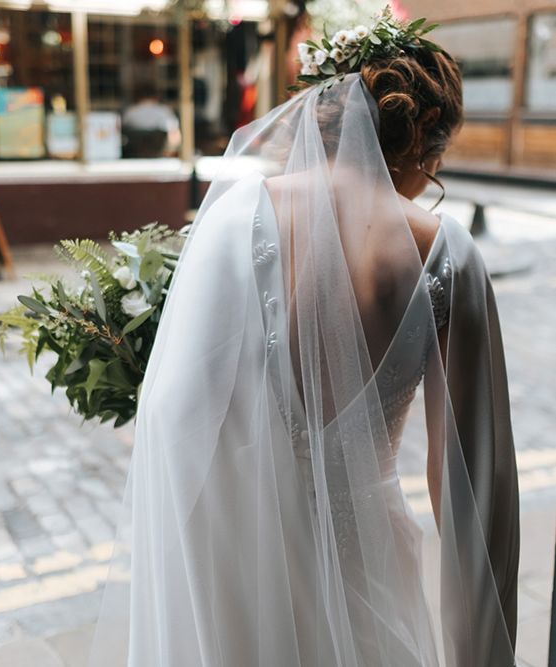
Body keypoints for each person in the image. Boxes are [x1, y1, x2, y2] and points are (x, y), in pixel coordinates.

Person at [88, 9, 519, 666]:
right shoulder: (444, 254)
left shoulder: (234, 217)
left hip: (233, 578)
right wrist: (482, 653)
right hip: (367, 571)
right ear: (425, 134)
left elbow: (178, 415)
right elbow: (472, 484)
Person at [122, 81, 181, 158]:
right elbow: (174, 134)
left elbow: (120, 130)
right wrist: (171, 154)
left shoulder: (130, 112)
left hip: (135, 155)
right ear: (156, 96)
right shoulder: (164, 111)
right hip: (158, 155)